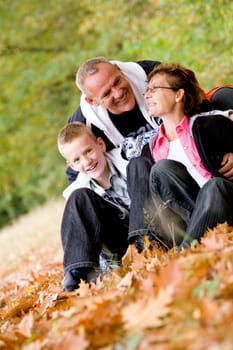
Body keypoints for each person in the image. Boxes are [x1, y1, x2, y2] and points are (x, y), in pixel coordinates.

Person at [67, 56, 233, 183]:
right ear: (93, 101)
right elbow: (75, 175)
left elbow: (198, 102)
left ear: (119, 69)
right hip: (148, 179)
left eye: (117, 82)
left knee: (224, 96)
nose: (118, 93)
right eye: (106, 94)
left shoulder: (153, 73)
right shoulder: (84, 125)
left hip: (194, 149)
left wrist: (228, 149)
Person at [127, 62, 233, 251]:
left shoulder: (209, 125)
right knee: (161, 169)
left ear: (179, 94)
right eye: (146, 90)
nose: (146, 95)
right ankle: (189, 247)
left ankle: (184, 255)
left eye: (154, 88)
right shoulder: (150, 150)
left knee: (215, 186)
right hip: (187, 221)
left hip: (224, 209)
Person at [57, 122, 131, 292]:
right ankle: (77, 274)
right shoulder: (78, 194)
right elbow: (81, 235)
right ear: (72, 166)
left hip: (142, 228)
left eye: (88, 151)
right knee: (79, 198)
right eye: (77, 159)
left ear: (100, 144)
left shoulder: (126, 162)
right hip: (116, 243)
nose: (87, 161)